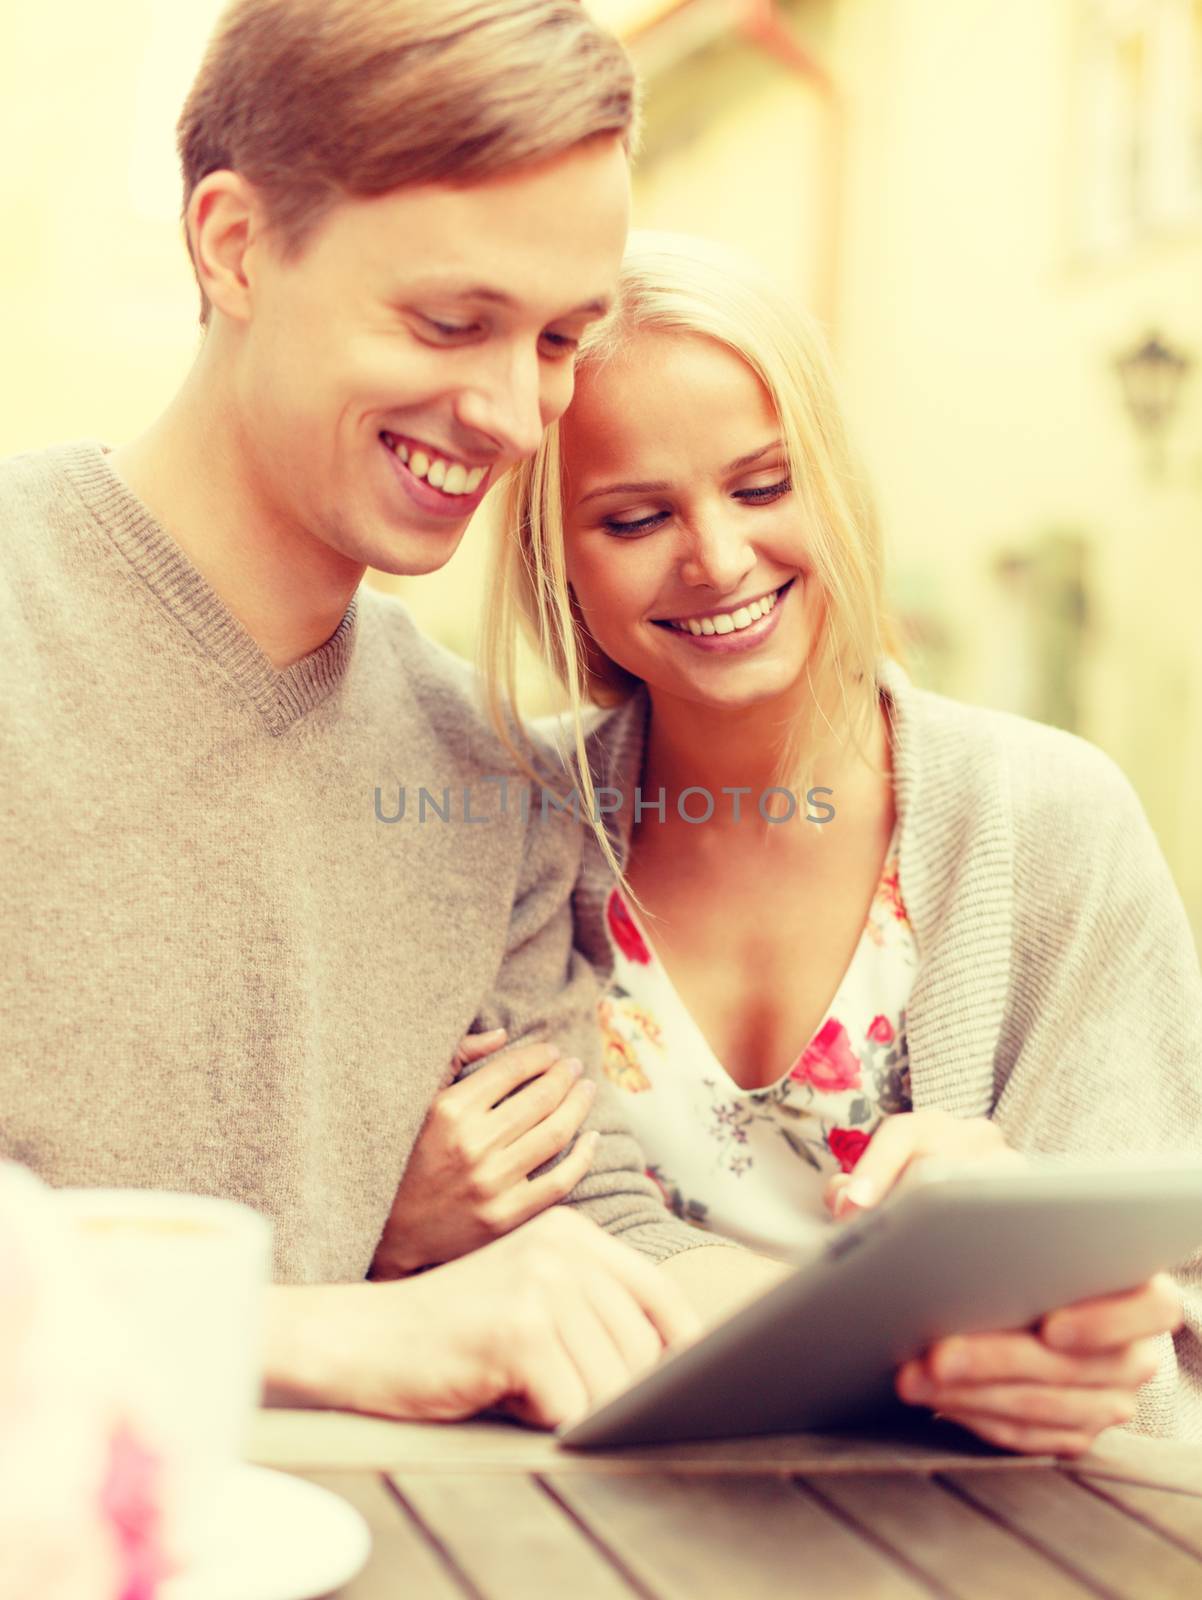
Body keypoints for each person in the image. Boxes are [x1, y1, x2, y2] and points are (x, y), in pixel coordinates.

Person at [0, 5, 779, 1435]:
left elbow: (586, 1222)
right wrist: (313, 1329)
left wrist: (923, 1331)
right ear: (233, 246)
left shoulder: (482, 771)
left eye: (556, 339)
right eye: (447, 321)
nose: (511, 414)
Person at [420, 231, 1198, 1453]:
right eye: (632, 517)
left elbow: (1167, 1327)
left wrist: (1073, 1307)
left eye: (762, 486)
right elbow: (484, 1236)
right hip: (584, 1531)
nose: (717, 557)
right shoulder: (513, 823)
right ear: (557, 563)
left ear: (831, 480)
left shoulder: (1051, 819)